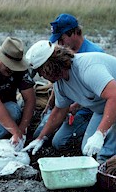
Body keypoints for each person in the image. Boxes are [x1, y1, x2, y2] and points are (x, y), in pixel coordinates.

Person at [22, 40, 116, 163]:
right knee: (87, 150)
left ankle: (106, 160)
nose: (42, 77)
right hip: (105, 105)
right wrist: (41, 138)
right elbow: (59, 111)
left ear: (49, 65)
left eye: (40, 72)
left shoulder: (87, 68)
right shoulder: (60, 84)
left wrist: (100, 133)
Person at [33, 13, 104, 151]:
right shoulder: (62, 52)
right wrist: (51, 102)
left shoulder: (94, 53)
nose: (59, 43)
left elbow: (99, 92)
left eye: (61, 38)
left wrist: (76, 105)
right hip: (67, 107)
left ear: (73, 33)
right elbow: (59, 81)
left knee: (59, 142)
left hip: (89, 110)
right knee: (39, 134)